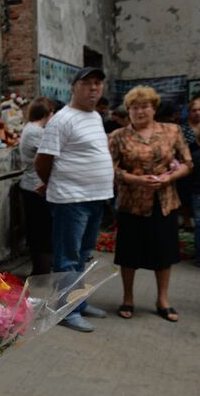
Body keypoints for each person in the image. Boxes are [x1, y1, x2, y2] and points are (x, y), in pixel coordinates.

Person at [35, 67, 113, 332]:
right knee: (67, 258)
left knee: (82, 256)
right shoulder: (62, 119)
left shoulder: (95, 116)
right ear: (74, 88)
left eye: (98, 84)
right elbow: (43, 160)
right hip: (71, 199)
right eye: (87, 83)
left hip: (96, 197)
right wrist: (51, 184)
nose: (94, 88)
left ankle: (78, 303)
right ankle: (65, 312)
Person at [108, 86, 192, 322]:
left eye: (145, 106)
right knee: (129, 253)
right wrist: (135, 179)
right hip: (131, 203)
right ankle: (128, 298)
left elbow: (187, 163)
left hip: (163, 201)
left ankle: (162, 299)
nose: (140, 111)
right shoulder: (117, 136)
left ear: (154, 108)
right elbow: (110, 169)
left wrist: (168, 178)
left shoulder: (172, 131)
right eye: (134, 107)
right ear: (128, 111)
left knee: (164, 252)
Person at [19, 97, 55, 275]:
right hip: (36, 187)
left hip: (32, 186)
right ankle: (41, 272)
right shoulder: (36, 132)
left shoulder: (32, 129)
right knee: (41, 231)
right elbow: (52, 155)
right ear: (47, 114)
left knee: (38, 230)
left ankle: (41, 270)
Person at [176, 96, 199, 231]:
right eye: (194, 110)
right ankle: (187, 222)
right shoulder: (181, 129)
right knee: (184, 195)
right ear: (189, 112)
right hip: (185, 168)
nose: (197, 113)